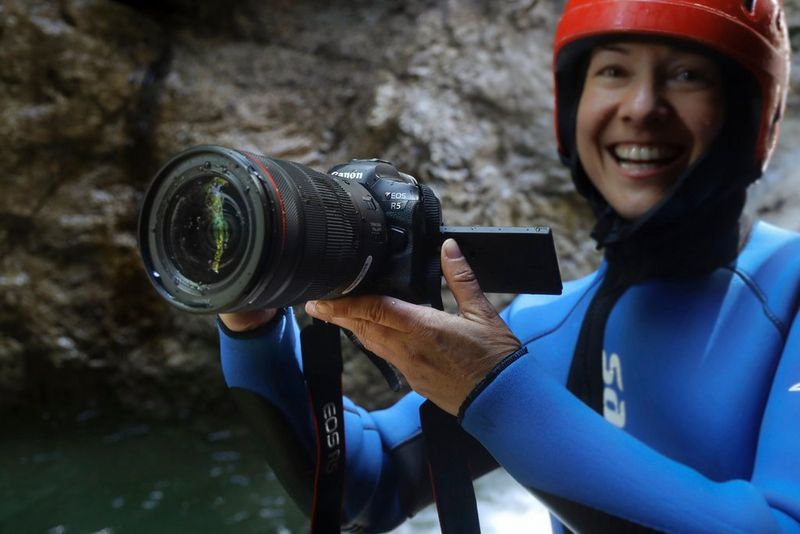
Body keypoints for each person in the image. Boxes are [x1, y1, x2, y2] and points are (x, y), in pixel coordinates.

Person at [218, 0, 800, 531]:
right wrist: (256, 327)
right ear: (572, 106)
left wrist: (495, 392)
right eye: (613, 71)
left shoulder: (790, 288)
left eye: (686, 75)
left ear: (755, 118)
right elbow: (364, 487)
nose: (642, 108)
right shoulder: (548, 324)